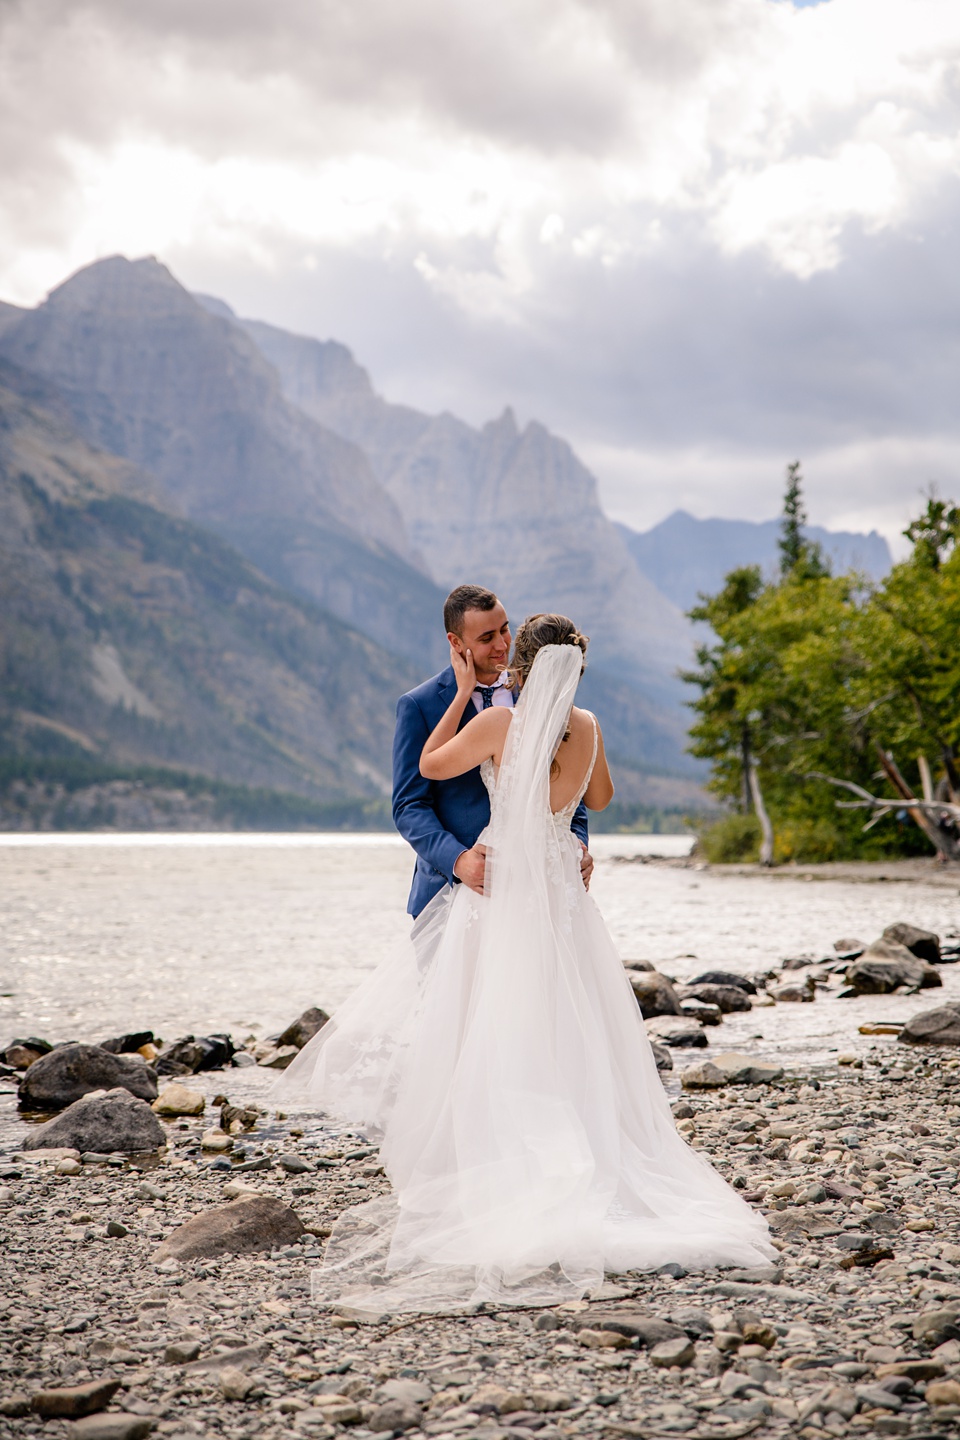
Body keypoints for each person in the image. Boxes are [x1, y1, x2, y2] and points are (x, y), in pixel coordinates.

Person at [276, 615, 775, 1313]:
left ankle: (507, 1174)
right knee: (572, 1029)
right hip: (561, 891)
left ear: (523, 669)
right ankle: (592, 1164)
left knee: (493, 1029)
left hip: (506, 891)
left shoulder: (501, 727)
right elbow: (595, 800)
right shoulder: (589, 724)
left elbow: (430, 766)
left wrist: (458, 695)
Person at [391, 583, 592, 917]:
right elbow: (409, 805)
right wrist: (458, 860)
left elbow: (570, 789)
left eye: (504, 629)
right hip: (447, 892)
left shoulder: (538, 696)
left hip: (532, 895)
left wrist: (577, 846)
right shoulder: (419, 705)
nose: (502, 646)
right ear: (456, 643)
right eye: (486, 638)